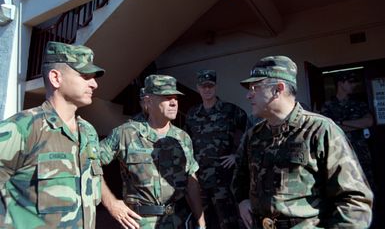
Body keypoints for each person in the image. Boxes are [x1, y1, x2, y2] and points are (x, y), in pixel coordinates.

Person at [232, 56, 373, 229]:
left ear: (278, 89)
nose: (248, 95)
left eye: (255, 87)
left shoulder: (320, 130)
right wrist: (242, 200)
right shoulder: (253, 135)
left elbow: (355, 201)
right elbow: (239, 179)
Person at [0, 41, 105, 228]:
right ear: (56, 78)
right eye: (85, 76)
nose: (94, 84)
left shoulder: (88, 132)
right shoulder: (22, 128)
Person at [99, 74, 206, 229]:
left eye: (175, 98)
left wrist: (201, 222)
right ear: (148, 101)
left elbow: (191, 181)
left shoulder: (182, 137)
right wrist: (111, 203)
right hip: (140, 222)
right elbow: (89, 163)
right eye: (166, 97)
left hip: (179, 221)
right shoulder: (125, 134)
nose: (173, 103)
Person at [184, 70, 247, 229]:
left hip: (224, 181)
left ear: (216, 86)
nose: (207, 90)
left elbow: (250, 135)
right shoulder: (192, 115)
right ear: (198, 88)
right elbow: (185, 143)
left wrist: (236, 156)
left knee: (229, 222)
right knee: (205, 223)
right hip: (200, 180)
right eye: (203, 86)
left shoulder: (232, 111)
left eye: (210, 86)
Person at [321, 71, 375, 189]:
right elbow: (328, 127)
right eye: (350, 82)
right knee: (343, 186)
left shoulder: (358, 104)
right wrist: (356, 124)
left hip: (360, 152)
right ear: (340, 84)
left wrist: (340, 123)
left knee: (367, 186)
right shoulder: (328, 106)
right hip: (338, 152)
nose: (354, 85)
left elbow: (368, 122)